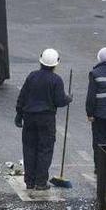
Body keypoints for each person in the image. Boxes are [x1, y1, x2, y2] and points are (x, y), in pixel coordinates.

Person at [15, 48, 72, 191]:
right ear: (55, 64)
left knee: (29, 149)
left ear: (41, 61)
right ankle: (40, 182)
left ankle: (29, 181)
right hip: (46, 118)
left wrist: (19, 114)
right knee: (45, 150)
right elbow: (59, 101)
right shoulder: (56, 80)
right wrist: (68, 98)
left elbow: (23, 96)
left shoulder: (32, 76)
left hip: (29, 117)